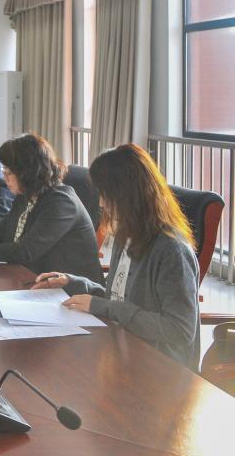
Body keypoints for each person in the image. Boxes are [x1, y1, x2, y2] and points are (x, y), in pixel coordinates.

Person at [31, 144, 200, 369]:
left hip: (160, 366)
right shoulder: (126, 234)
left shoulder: (171, 250)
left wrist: (103, 307)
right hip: (122, 346)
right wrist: (73, 283)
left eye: (106, 195)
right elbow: (119, 299)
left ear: (129, 194)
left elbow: (179, 330)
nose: (101, 203)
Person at [0, 133, 103, 285]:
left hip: (71, 292)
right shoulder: (26, 194)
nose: (4, 178)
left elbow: (26, 251)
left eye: (8, 172)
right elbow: (1, 231)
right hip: (34, 279)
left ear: (27, 172)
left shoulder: (61, 202)